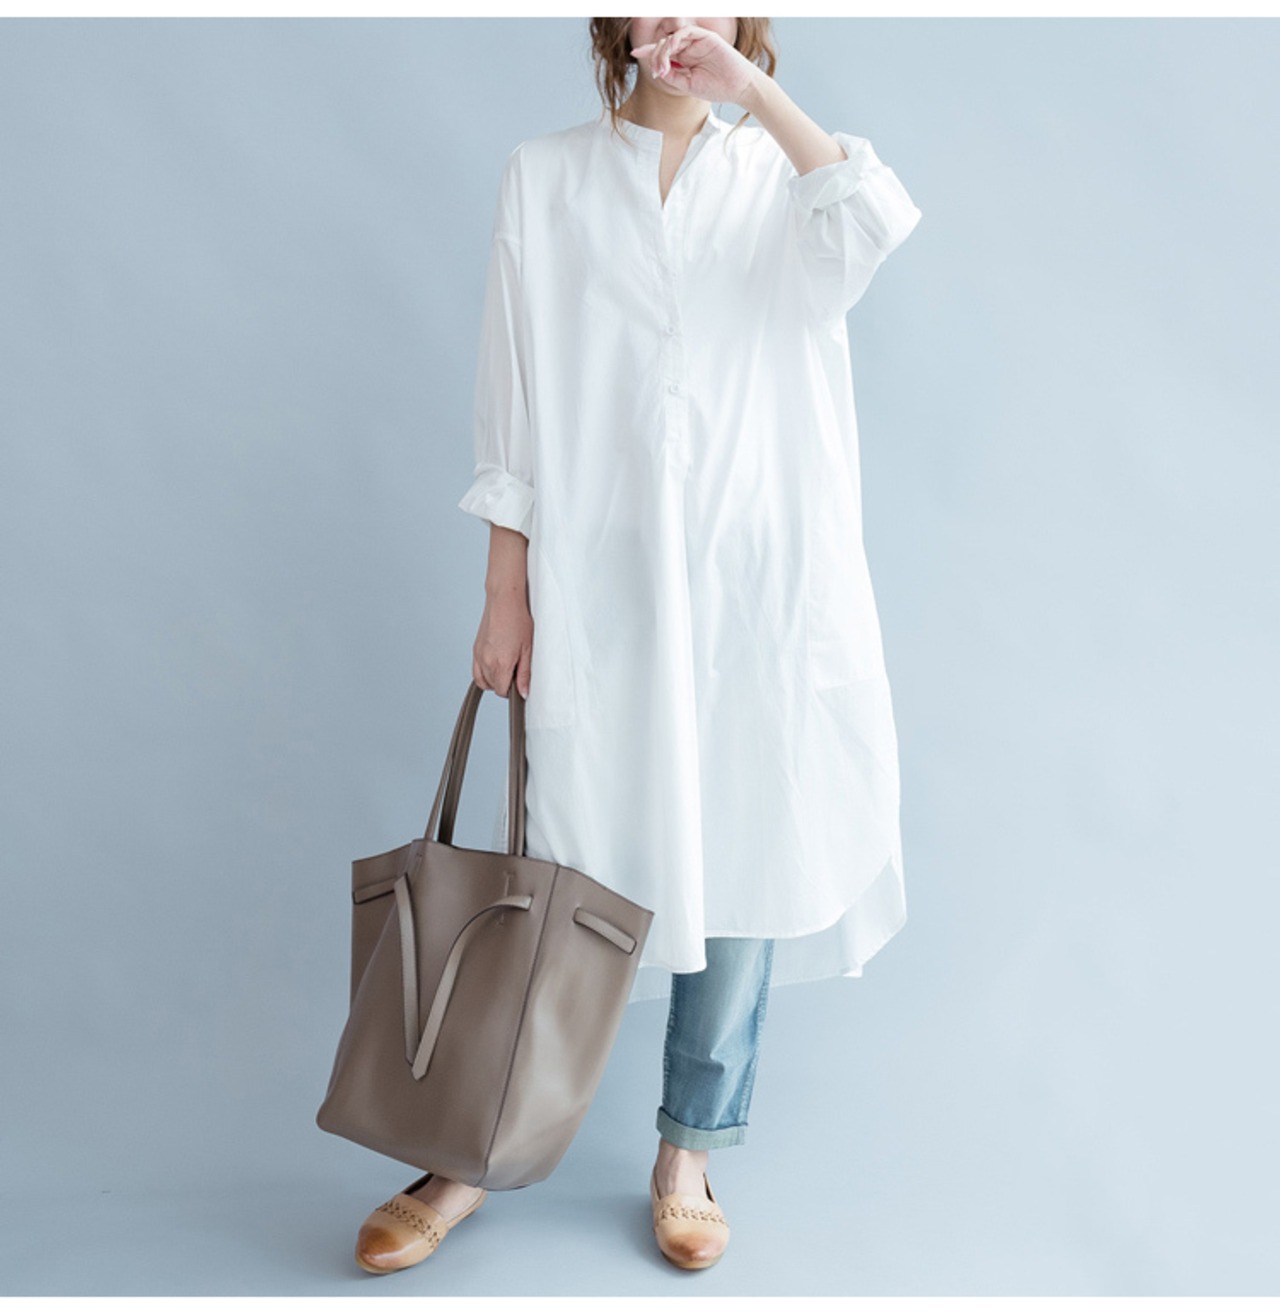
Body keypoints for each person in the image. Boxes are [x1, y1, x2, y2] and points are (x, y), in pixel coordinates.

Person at [353, 15, 922, 1274]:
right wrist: (505, 588)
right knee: (565, 856)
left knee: (746, 845)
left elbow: (870, 224)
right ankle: (471, 1149)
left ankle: (689, 1152)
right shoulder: (544, 176)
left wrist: (754, 97)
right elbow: (512, 393)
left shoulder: (785, 172)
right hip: (600, 579)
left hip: (757, 585)